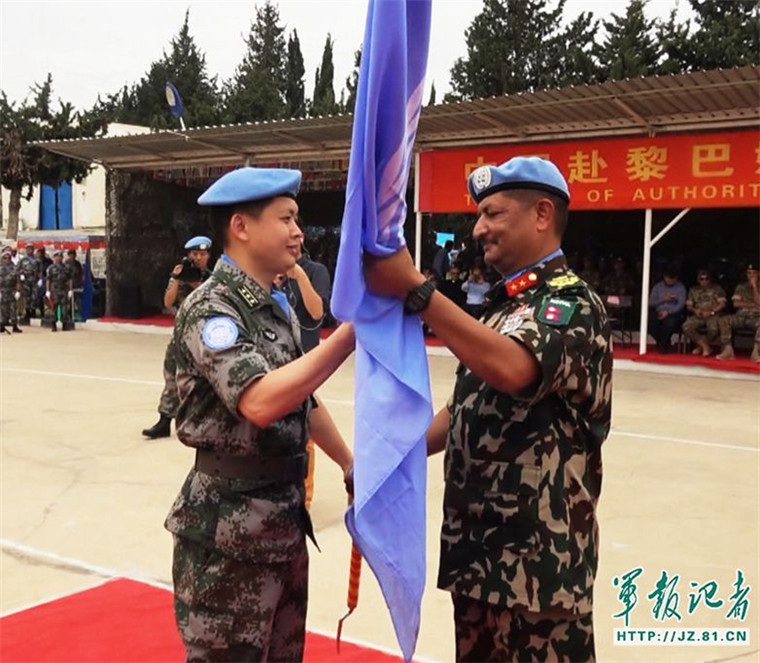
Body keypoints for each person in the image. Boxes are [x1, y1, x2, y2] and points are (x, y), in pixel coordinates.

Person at [364, 156, 612, 662]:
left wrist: (417, 290)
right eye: (479, 215)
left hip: (538, 570)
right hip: (479, 559)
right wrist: (389, 461)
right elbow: (463, 407)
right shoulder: (504, 308)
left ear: (541, 214)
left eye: (493, 214)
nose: (479, 229)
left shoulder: (572, 303)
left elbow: (513, 368)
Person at [164, 166, 354, 662]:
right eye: (286, 219)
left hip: (282, 525)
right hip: (228, 535)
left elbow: (301, 398)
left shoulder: (275, 305)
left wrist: (347, 461)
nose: (298, 232)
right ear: (241, 227)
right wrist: (350, 337)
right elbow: (261, 400)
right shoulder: (211, 308)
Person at [278, 237, 332, 508]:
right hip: (276, 360)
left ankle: (304, 498)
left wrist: (298, 274)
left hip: (305, 361)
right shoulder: (271, 271)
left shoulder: (315, 271)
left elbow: (317, 312)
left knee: (305, 432)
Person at [142, 236, 213, 439]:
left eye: (202, 254)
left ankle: (203, 421)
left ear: (208, 255)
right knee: (171, 377)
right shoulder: (180, 276)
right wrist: (175, 278)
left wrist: (195, 284)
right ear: (188, 255)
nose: (198, 258)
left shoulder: (213, 278)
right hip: (180, 337)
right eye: (195, 254)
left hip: (203, 339)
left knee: (205, 382)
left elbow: (211, 299)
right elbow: (168, 302)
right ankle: (164, 420)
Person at [717, 261, 760, 361]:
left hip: (756, 318)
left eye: (754, 273)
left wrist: (754, 287)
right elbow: (736, 304)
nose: (751, 275)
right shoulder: (741, 287)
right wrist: (754, 305)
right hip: (741, 316)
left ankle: (756, 352)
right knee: (724, 320)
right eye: (749, 273)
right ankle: (728, 350)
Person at [682, 269, 728, 357]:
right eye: (701, 279)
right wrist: (695, 310)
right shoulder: (693, 290)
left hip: (713, 314)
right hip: (699, 314)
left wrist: (712, 312)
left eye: (707, 278)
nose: (704, 281)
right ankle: (704, 346)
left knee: (714, 329)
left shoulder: (717, 289)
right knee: (686, 326)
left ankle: (700, 347)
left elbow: (722, 304)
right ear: (698, 280)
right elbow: (689, 305)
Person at [648, 266, 687, 353]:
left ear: (676, 278)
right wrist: (663, 299)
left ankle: (663, 346)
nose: (670, 280)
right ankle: (663, 342)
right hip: (658, 311)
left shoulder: (680, 288)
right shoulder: (658, 287)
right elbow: (651, 302)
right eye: (668, 277)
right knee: (650, 323)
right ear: (664, 277)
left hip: (673, 313)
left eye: (672, 278)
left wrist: (668, 312)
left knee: (669, 323)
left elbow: (681, 304)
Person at [46, 250, 73, 332]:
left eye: (60, 256)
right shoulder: (51, 268)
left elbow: (69, 279)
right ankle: (53, 325)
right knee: (53, 308)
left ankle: (65, 324)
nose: (58, 258)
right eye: (57, 256)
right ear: (54, 258)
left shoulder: (66, 267)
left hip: (64, 290)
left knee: (65, 308)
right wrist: (48, 290)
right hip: (54, 290)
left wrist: (70, 290)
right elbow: (48, 280)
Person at [0, 249, 23, 333]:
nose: (7, 260)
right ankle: (2, 325)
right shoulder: (0, 269)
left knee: (13, 308)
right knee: (3, 308)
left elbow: (18, 281)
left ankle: (14, 325)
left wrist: (18, 291)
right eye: (5, 258)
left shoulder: (15, 269)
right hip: (2, 290)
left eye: (8, 258)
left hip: (12, 290)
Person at [16, 244, 39, 321]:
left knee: (34, 296)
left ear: (33, 249)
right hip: (26, 280)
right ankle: (27, 311)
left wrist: (40, 279)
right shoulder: (23, 259)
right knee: (27, 296)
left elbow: (40, 270)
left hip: (34, 280)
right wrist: (21, 274)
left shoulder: (36, 259)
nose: (29, 250)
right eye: (28, 249)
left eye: (30, 249)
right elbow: (17, 269)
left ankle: (33, 311)